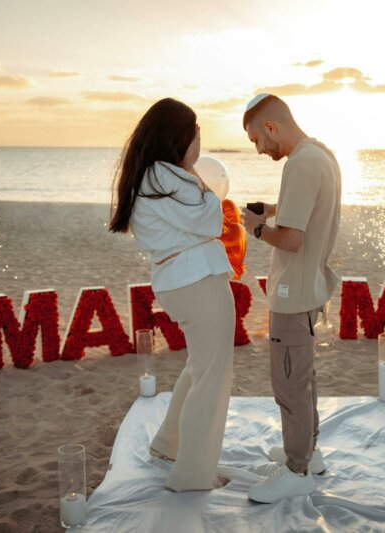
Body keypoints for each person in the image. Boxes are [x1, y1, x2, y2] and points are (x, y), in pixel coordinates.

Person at [109, 98, 235, 491]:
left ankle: (169, 443)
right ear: (178, 137)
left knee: (200, 367)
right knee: (213, 377)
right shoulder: (167, 175)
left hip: (181, 279)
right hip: (196, 281)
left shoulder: (153, 174)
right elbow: (212, 219)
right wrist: (199, 175)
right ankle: (193, 474)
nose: (200, 140)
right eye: (196, 132)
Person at [240, 93, 342, 503]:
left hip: (292, 293)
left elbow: (293, 240)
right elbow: (307, 209)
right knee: (303, 379)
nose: (259, 150)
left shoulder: (300, 164)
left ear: (270, 127)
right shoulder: (321, 154)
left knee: (289, 385)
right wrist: (271, 209)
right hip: (308, 287)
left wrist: (256, 229)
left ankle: (297, 469)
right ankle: (306, 455)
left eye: (255, 140)